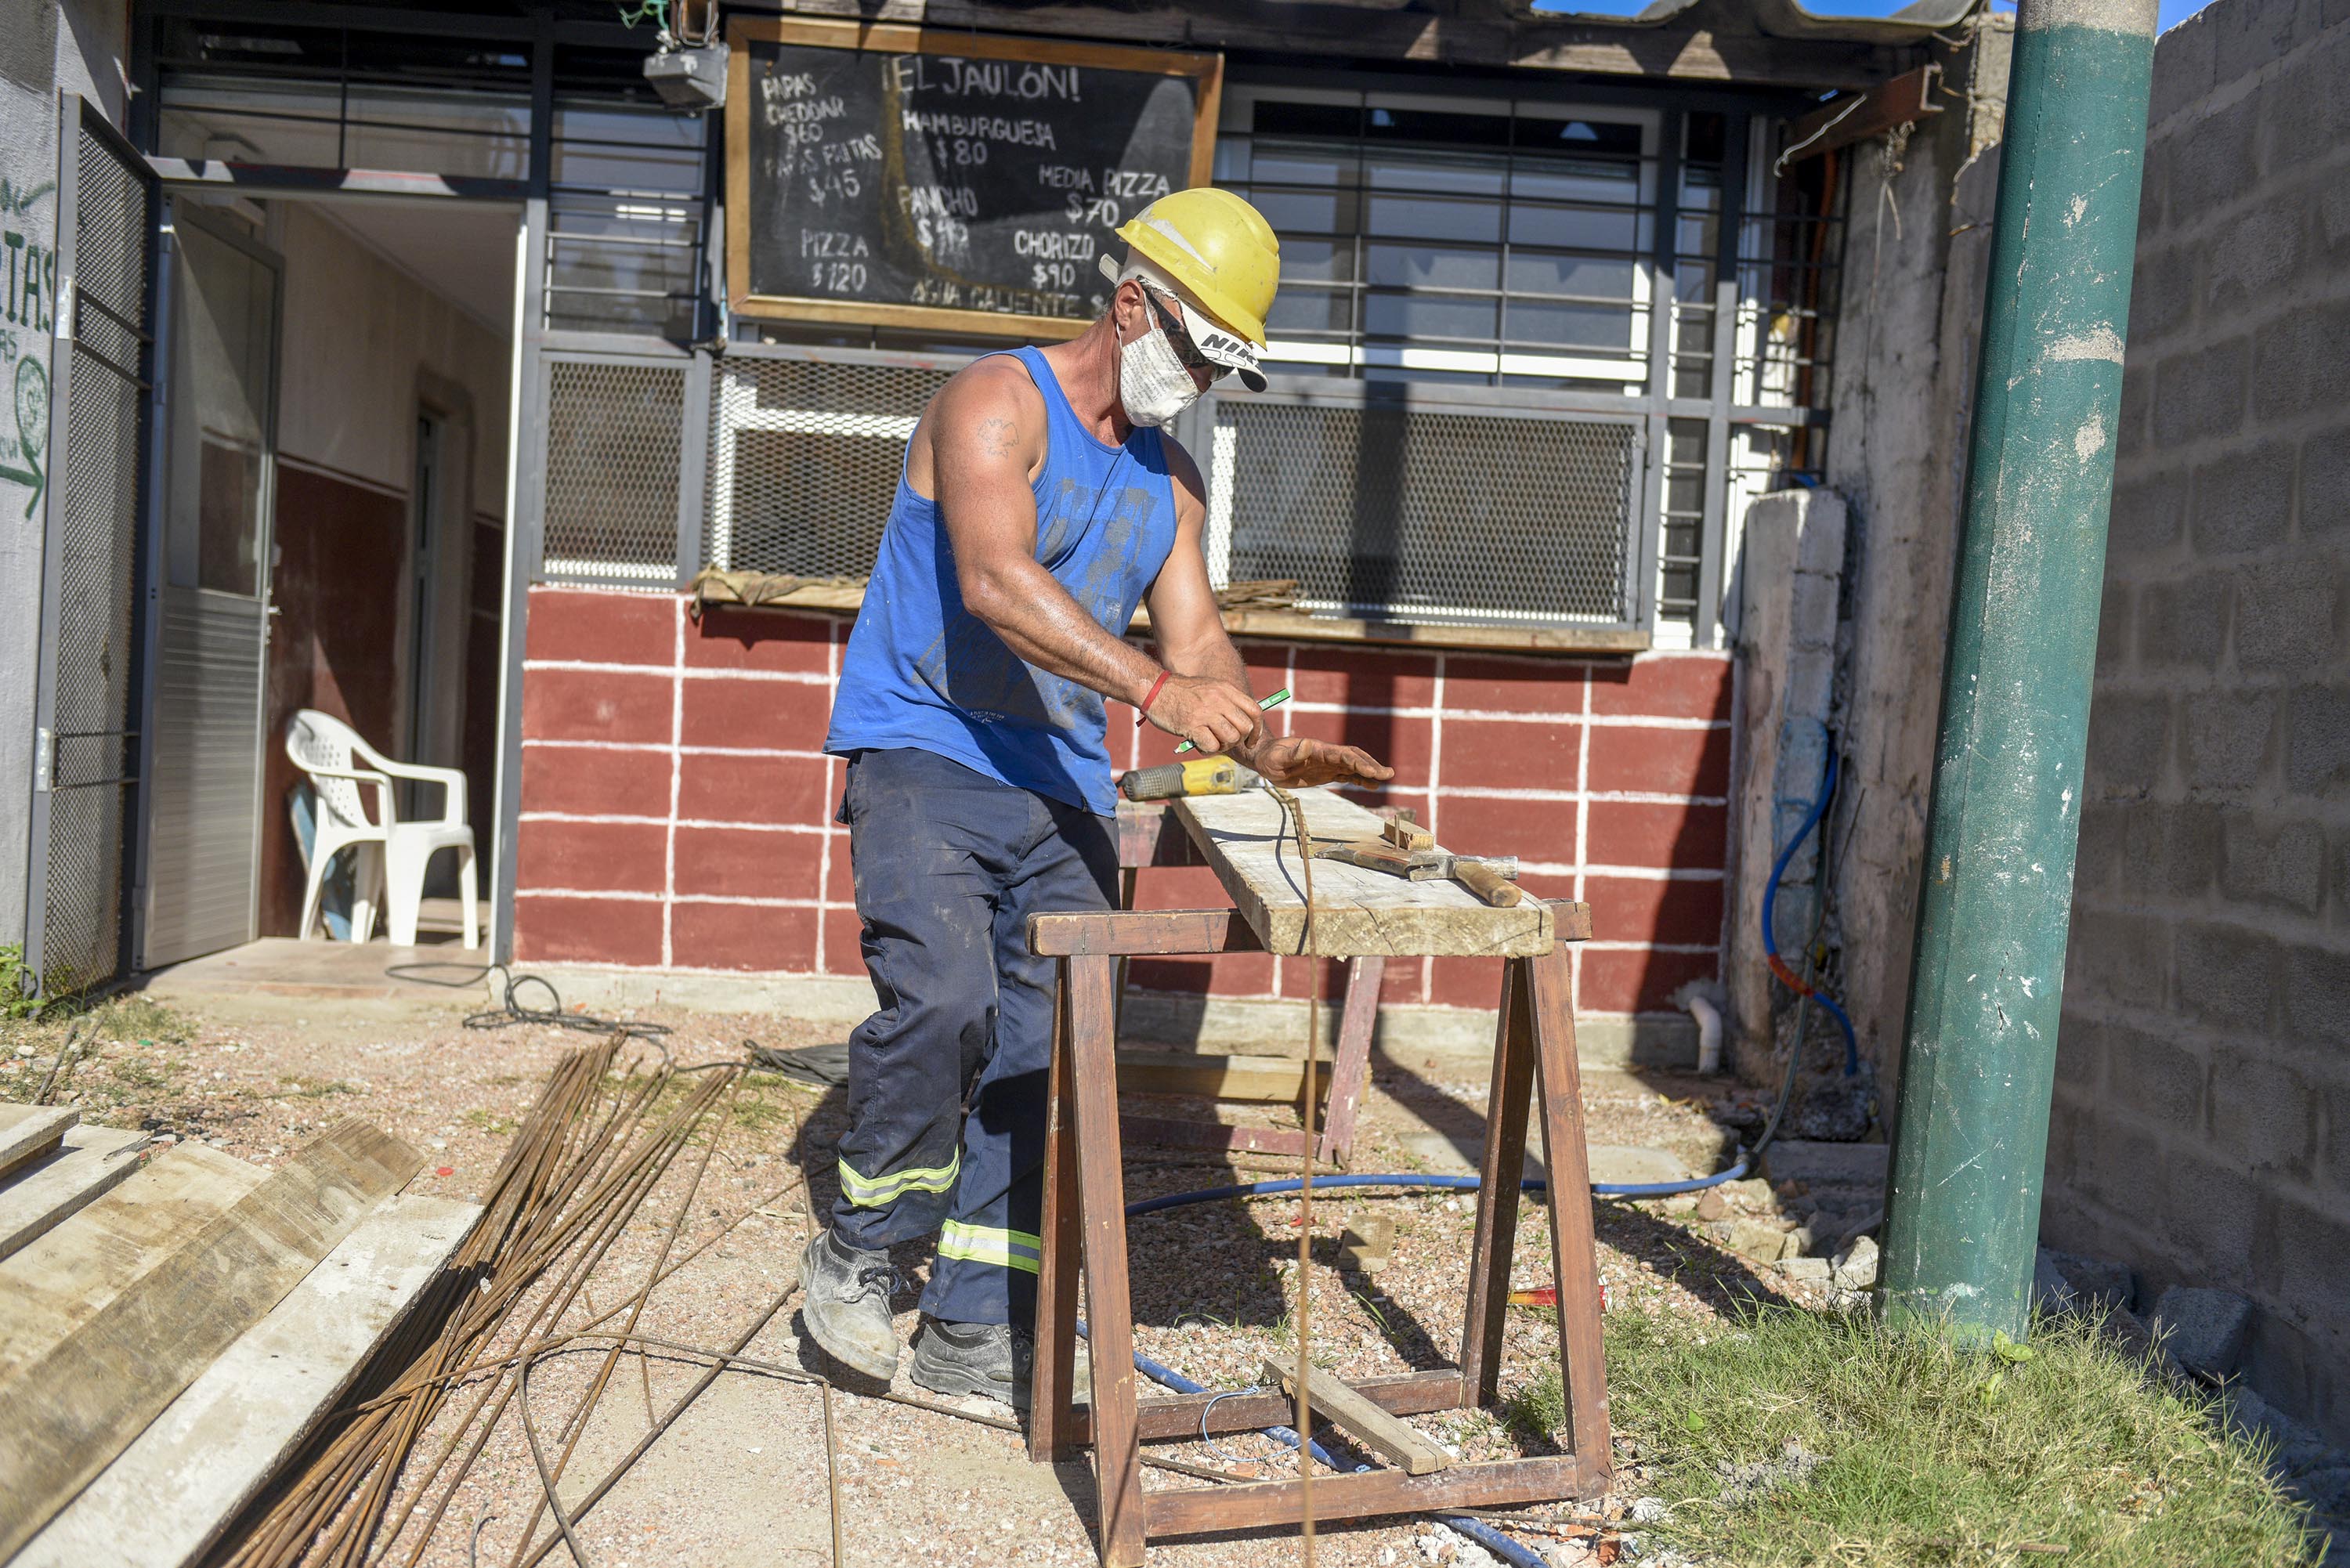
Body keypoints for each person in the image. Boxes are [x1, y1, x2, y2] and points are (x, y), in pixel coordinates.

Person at [802, 189, 1393, 1405]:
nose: (1209, 388)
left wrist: (1256, 740)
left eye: (1232, 369)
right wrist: (1160, 693)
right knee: (950, 995)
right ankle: (860, 1250)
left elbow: (1201, 642)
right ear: (1132, 307)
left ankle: (973, 1321)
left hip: (1054, 781)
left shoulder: (1169, 483)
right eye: (1200, 355)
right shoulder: (993, 405)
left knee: (1055, 1042)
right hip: (925, 747)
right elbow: (995, 583)